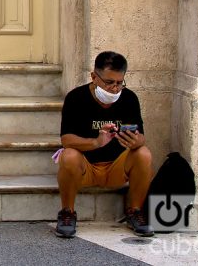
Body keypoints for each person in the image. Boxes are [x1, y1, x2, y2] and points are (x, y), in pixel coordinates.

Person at [55, 51, 153, 238]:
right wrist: (96, 142)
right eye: (109, 83)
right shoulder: (76, 98)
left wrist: (135, 141)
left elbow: (142, 137)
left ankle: (135, 211)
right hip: (86, 168)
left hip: (117, 167)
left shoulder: (129, 98)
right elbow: (66, 140)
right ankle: (67, 212)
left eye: (119, 83)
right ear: (94, 77)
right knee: (68, 155)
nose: (115, 89)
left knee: (144, 153)